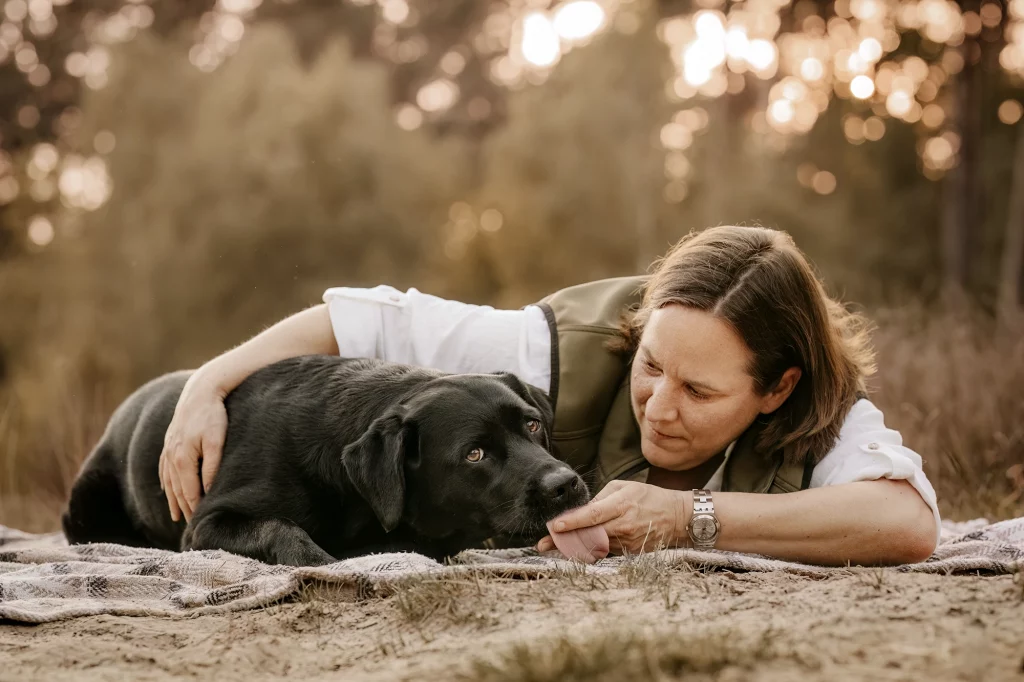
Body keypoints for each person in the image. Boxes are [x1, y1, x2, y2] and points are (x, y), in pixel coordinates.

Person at [158, 225, 940, 566]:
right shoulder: (552, 349)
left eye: (699, 391)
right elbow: (361, 319)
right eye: (650, 366)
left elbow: (906, 523)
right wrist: (209, 382)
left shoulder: (822, 411)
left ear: (778, 388)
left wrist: (689, 517)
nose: (658, 405)